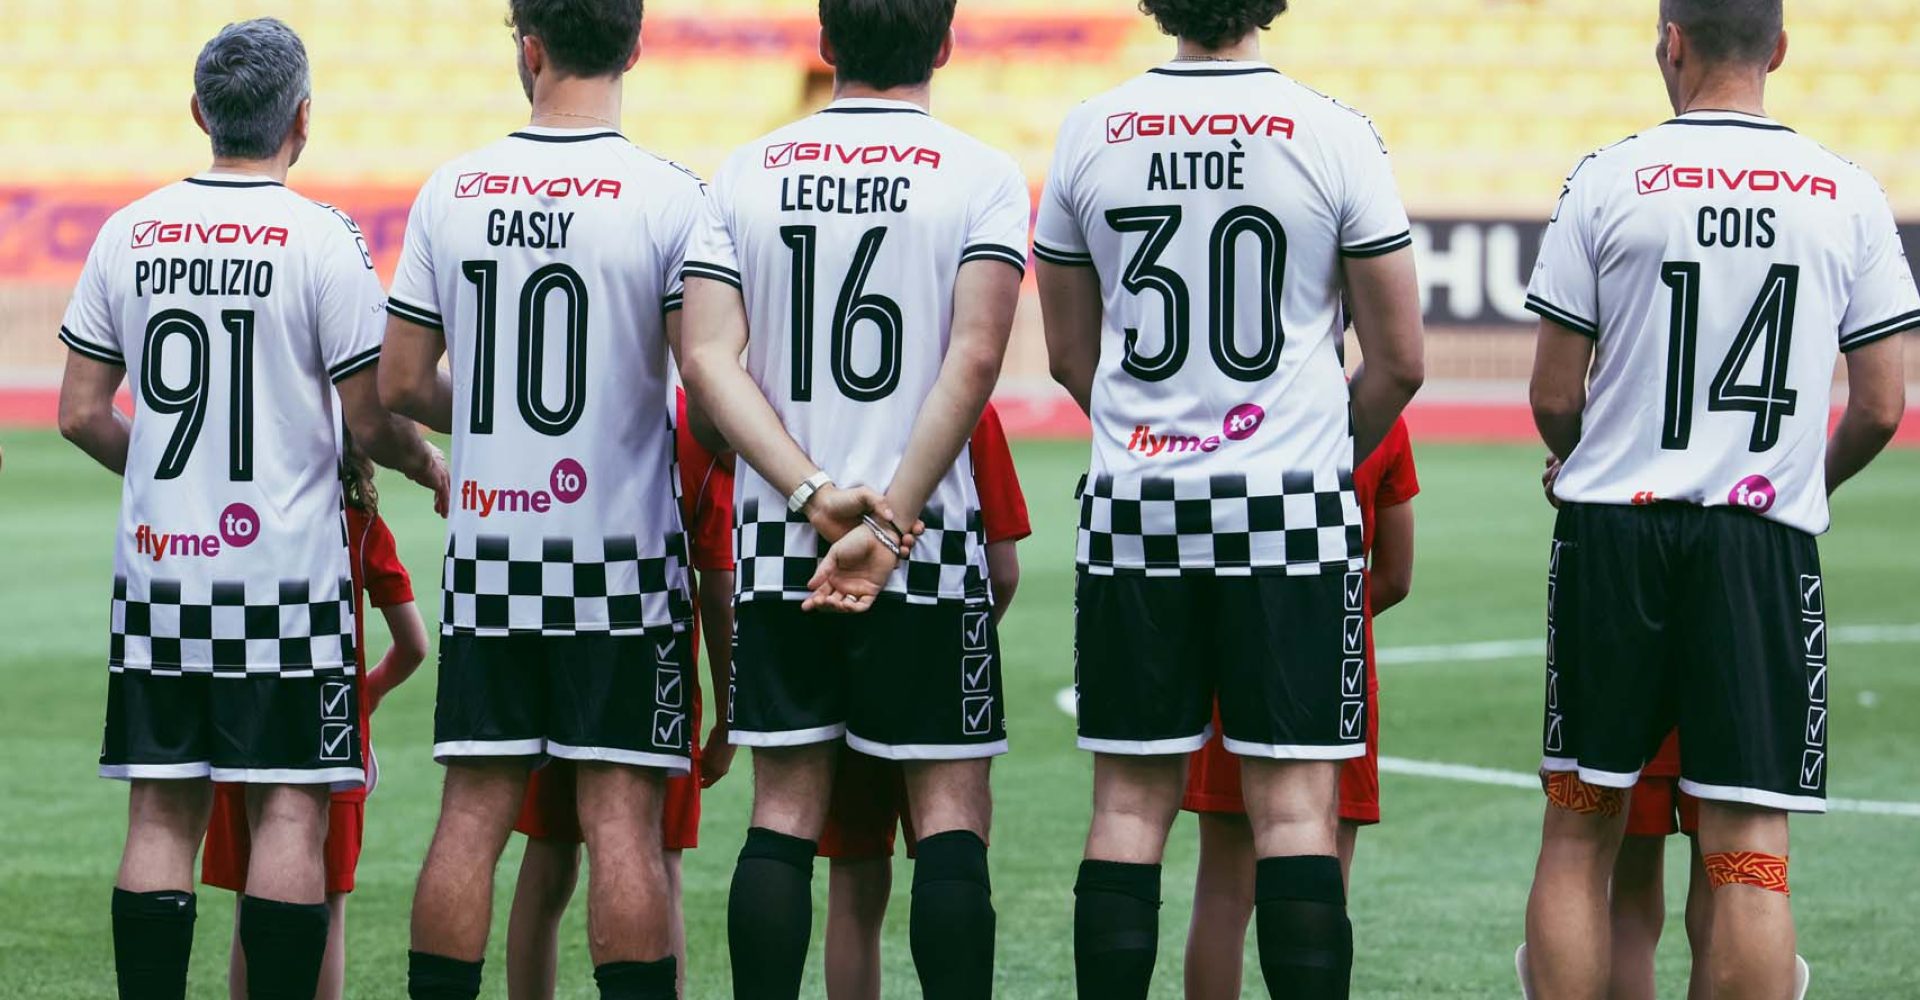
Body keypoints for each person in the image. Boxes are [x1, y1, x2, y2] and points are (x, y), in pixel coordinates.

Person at [1520, 0, 1914, 996]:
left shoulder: (1607, 177)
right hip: (1760, 543)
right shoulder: (1846, 191)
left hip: (1616, 530)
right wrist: (1797, 484)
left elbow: (1553, 393)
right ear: (1778, 46)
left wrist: (1583, 456)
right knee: (1748, 849)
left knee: (1580, 830)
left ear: (1673, 41)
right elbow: (1880, 405)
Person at [1033, 0, 1425, 994]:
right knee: (1294, 813)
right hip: (1286, 509)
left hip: (1137, 507)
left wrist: (1153, 436)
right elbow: (1401, 361)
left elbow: (1073, 355)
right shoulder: (1334, 131)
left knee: (1126, 807)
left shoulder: (1091, 129)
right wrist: (1316, 452)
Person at [54, 17, 446, 999]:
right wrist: (427, 463)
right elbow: (368, 417)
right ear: (302, 118)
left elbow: (79, 414)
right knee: (287, 813)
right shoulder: (325, 237)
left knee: (158, 817)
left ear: (200, 113)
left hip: (161, 575)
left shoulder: (128, 230)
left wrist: (165, 483)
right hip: (284, 582)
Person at [678, 0, 1031, 994]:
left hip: (784, 539)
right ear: (946, 41)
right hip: (928, 543)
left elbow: (708, 359)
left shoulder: (743, 172)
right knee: (952, 815)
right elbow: (974, 358)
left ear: (826, 42)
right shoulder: (983, 173)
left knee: (782, 809)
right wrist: (885, 523)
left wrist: (813, 493)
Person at [378, 1, 707, 996]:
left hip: (491, 553)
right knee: (620, 821)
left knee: (471, 811)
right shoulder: (671, 196)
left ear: (531, 47)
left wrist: (482, 420)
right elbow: (705, 383)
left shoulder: (454, 189)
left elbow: (397, 382)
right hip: (620, 557)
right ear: (635, 47)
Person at [503, 388, 738, 1000]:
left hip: (540, 638)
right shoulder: (697, 421)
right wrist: (729, 709)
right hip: (652, 655)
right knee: (655, 857)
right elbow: (717, 583)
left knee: (548, 856)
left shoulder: (560, 404)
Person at [1180, 415, 1419, 1000]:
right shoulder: (1378, 416)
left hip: (1227, 649)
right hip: (1335, 665)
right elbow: (1394, 575)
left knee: (1222, 889)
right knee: (1322, 876)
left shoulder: (1229, 411)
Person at [201, 435, 431, 1000]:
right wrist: (368, 694)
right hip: (332, 730)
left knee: (248, 903)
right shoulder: (359, 523)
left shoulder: (239, 517)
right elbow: (414, 645)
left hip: (241, 724)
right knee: (326, 903)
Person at [820, 402, 1031, 1000]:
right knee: (952, 835)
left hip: (830, 624)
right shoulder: (967, 410)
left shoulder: (816, 412)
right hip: (938, 617)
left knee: (854, 873)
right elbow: (1004, 568)